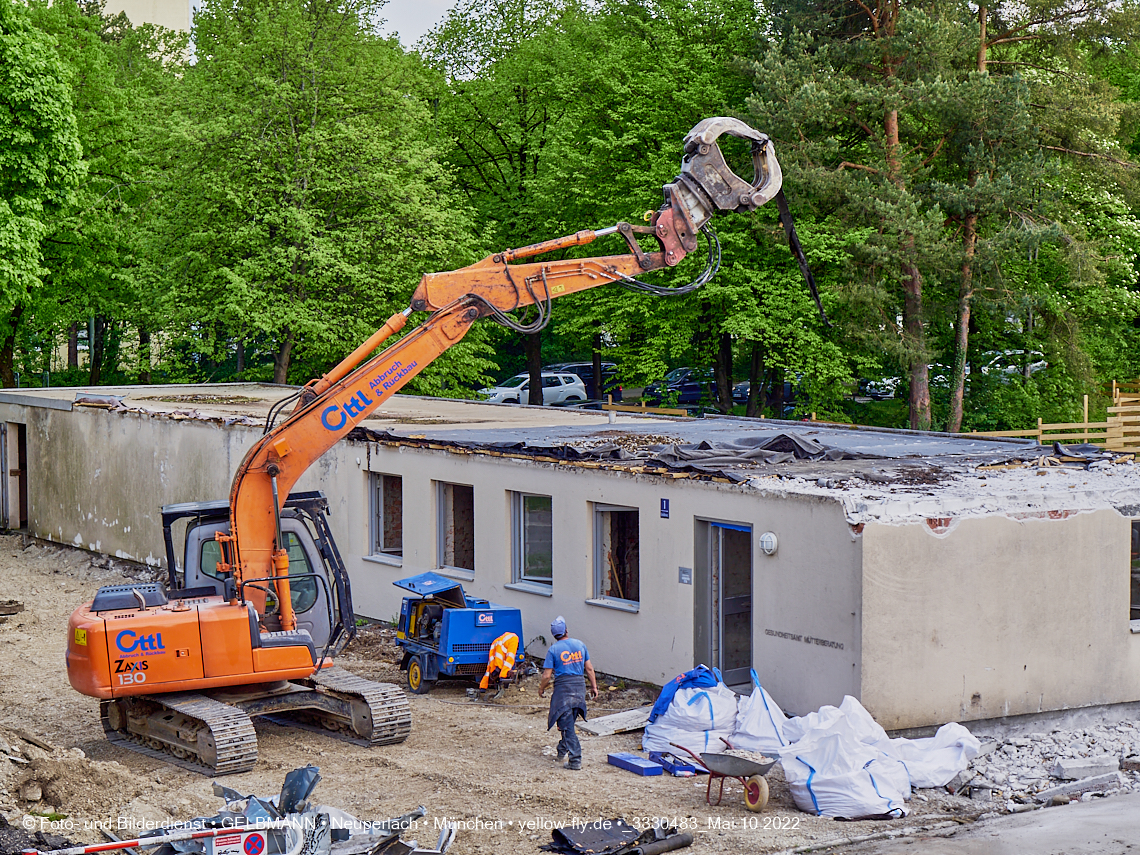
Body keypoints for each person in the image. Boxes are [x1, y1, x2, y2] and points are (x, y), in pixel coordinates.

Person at [538, 615, 598, 770]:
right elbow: (589, 668)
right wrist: (594, 687)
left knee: (567, 726)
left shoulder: (553, 650)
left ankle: (575, 760)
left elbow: (546, 675)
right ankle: (561, 750)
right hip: (579, 687)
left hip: (563, 690)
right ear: (566, 630)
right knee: (568, 721)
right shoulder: (580, 645)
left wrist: (541, 688)